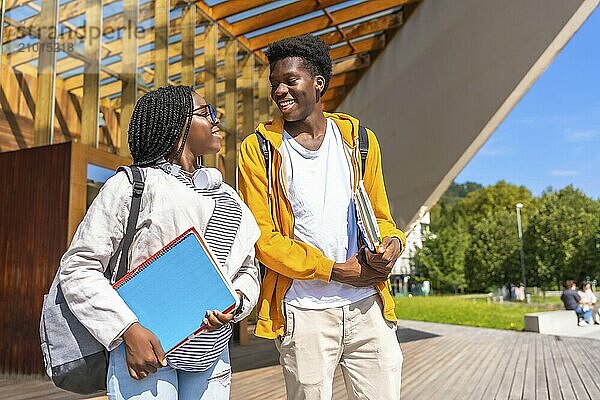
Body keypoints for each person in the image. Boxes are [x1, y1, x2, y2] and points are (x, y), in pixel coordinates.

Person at [59, 85, 260, 399]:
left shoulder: (229, 199)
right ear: (178, 124)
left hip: (213, 356)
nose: (217, 119)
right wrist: (127, 330)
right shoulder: (131, 186)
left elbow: (247, 270)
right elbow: (78, 269)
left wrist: (234, 301)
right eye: (207, 112)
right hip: (146, 352)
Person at [238, 35, 406, 400]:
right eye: (274, 84)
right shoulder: (259, 149)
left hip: (368, 308)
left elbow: (382, 218)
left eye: (290, 81)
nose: (280, 91)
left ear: (318, 83)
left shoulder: (359, 139)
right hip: (304, 313)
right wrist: (334, 270)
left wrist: (393, 244)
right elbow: (264, 240)